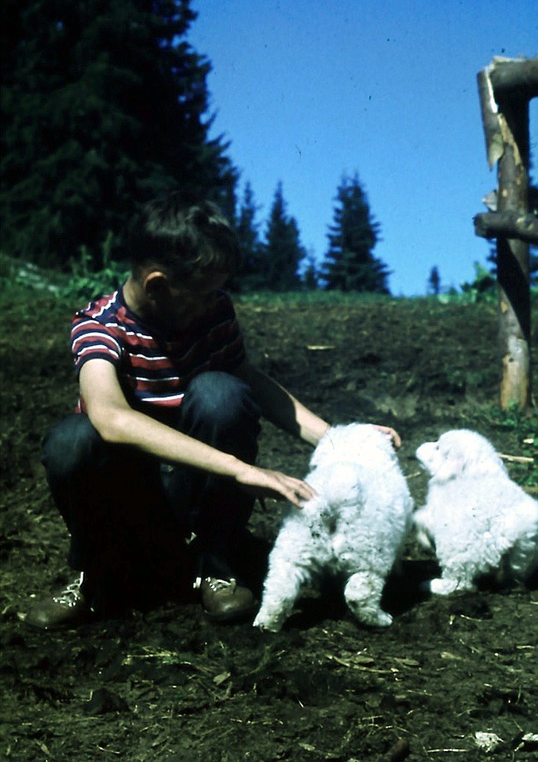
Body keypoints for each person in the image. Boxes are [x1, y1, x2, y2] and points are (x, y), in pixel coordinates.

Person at [24, 192, 401, 630]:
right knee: (72, 440)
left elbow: (252, 381)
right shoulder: (98, 326)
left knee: (222, 391)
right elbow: (110, 417)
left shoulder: (212, 312)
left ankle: (214, 564)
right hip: (129, 495)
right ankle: (98, 575)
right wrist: (239, 469)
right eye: (202, 293)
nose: (213, 302)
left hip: (192, 494)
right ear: (158, 285)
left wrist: (341, 440)